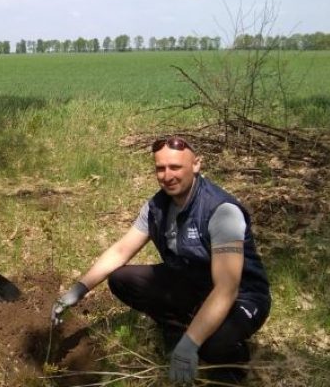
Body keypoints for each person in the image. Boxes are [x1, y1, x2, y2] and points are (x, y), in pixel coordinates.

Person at [51, 136, 271, 385]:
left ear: (196, 164)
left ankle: (233, 362)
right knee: (122, 279)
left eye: (175, 167)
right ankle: (177, 328)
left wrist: (191, 344)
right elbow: (121, 250)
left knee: (211, 344)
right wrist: (78, 290)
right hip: (194, 284)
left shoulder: (221, 211)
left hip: (242, 296)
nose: (167, 176)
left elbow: (227, 288)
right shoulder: (157, 206)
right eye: (160, 168)